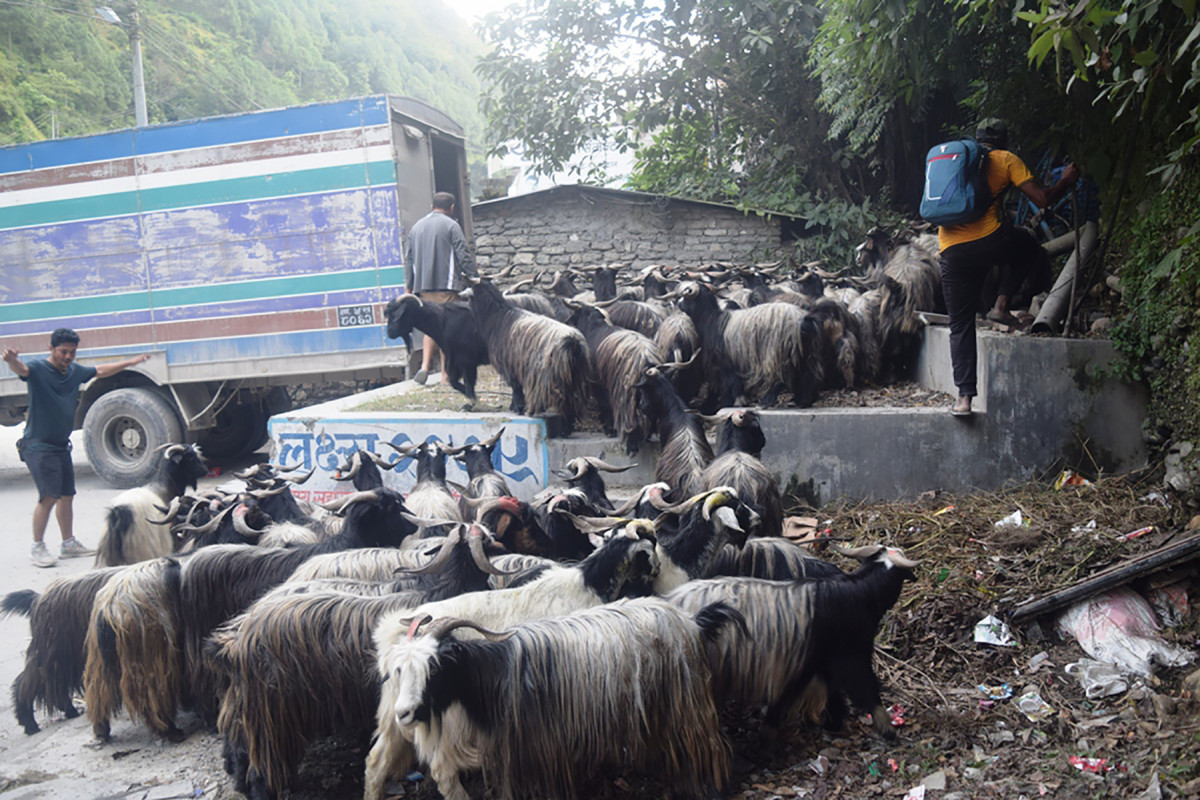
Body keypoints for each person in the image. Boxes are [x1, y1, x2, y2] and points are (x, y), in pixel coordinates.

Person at [938, 119, 1080, 416]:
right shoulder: (1005, 159)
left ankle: (964, 400)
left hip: (949, 248)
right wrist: (1066, 181)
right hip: (988, 239)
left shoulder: (955, 162)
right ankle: (1001, 305)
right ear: (1003, 140)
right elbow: (1041, 199)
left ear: (975, 139)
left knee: (960, 325)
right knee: (1027, 246)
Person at [2, 329, 151, 567]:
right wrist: (11, 361)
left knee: (66, 496)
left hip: (61, 446)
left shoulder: (73, 371)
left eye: (72, 352)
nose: (68, 357)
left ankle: (68, 544)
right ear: (50, 349)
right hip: (38, 446)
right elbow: (22, 370)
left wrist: (131, 362)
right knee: (48, 496)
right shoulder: (39, 369)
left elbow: (100, 370)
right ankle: (37, 547)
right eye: (63, 352)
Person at [403, 191, 476, 385]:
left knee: (431, 327)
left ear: (431, 206)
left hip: (423, 287)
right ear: (451, 208)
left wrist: (409, 286)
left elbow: (408, 258)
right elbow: (463, 254)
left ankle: (425, 367)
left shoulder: (416, 228)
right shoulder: (452, 225)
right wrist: (474, 278)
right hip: (447, 285)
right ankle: (445, 375)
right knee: (447, 328)